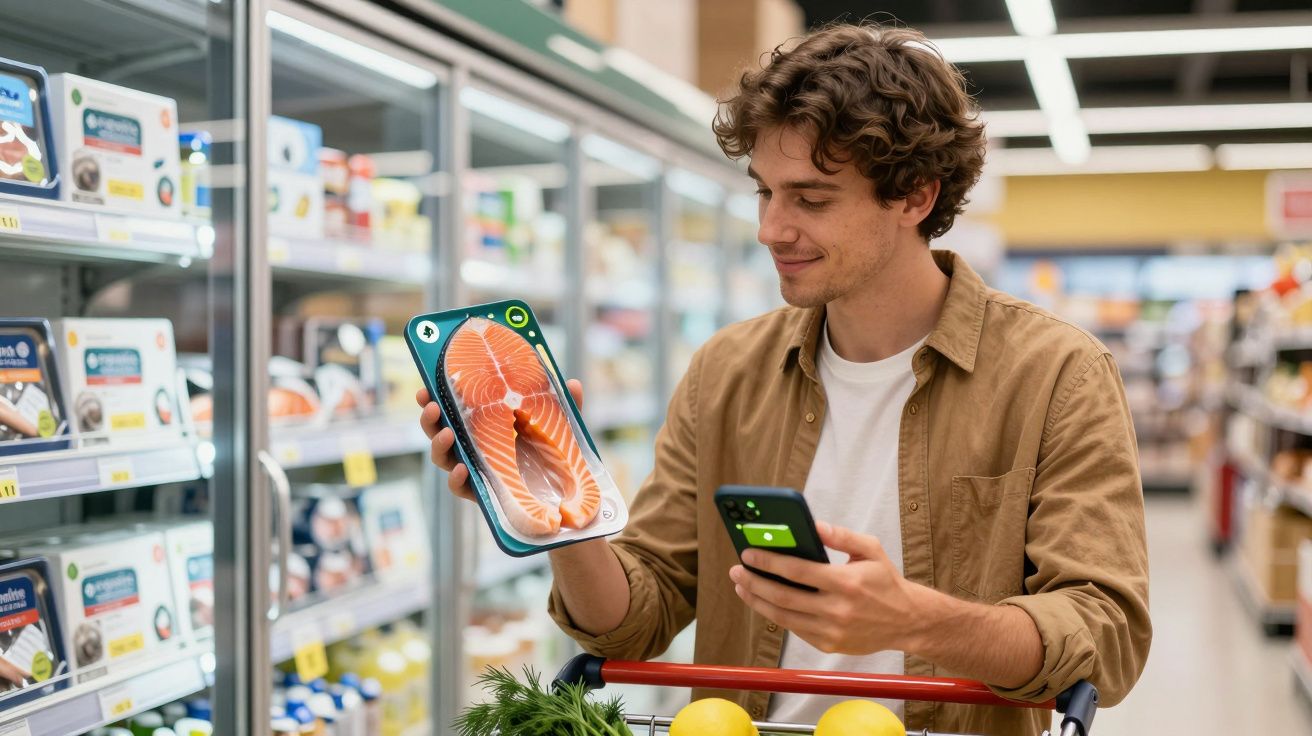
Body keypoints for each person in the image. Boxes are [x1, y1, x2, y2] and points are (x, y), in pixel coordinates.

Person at [419, 22, 1150, 735]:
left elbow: (1105, 634)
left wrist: (916, 619)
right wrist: (556, 507)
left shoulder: (1055, 375)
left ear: (914, 197)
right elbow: (634, 621)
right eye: (765, 192)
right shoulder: (726, 372)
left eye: (811, 199)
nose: (771, 229)